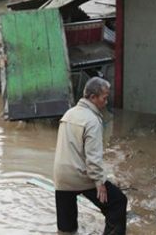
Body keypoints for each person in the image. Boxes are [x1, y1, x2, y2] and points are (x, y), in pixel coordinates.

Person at [53, 77, 127, 234]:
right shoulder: (92, 120)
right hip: (81, 176)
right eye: (104, 98)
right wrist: (100, 182)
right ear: (93, 97)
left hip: (61, 177)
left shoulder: (69, 113)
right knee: (118, 202)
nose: (106, 102)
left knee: (66, 229)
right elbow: (93, 157)